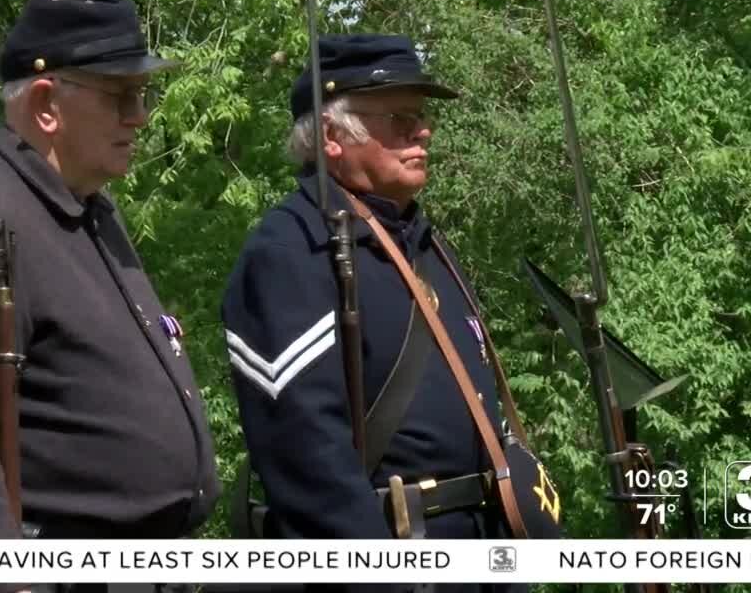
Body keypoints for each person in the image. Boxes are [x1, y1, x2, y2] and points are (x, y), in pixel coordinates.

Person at [0, 0, 221, 588]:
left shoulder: (89, 209)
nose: (140, 116)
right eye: (122, 96)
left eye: (141, 96)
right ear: (47, 105)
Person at [221, 34, 561, 592]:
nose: (422, 130)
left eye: (422, 115)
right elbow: (308, 459)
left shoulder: (420, 240)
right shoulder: (292, 251)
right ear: (332, 136)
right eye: (399, 117)